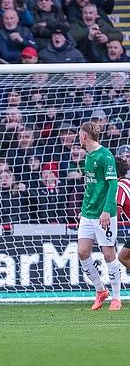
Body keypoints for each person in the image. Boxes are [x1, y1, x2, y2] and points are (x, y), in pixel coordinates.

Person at [77, 121, 121, 311]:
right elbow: (92, 187)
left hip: (105, 214)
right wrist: (83, 210)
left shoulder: (106, 156)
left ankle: (117, 298)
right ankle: (100, 290)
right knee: (83, 252)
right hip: (88, 213)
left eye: (79, 134)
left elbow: (113, 185)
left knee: (109, 254)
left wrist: (106, 210)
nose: (78, 138)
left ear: (84, 136)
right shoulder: (87, 157)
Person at [114, 157, 130, 273]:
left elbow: (116, 213)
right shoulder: (127, 182)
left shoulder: (119, 186)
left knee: (123, 257)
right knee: (123, 256)